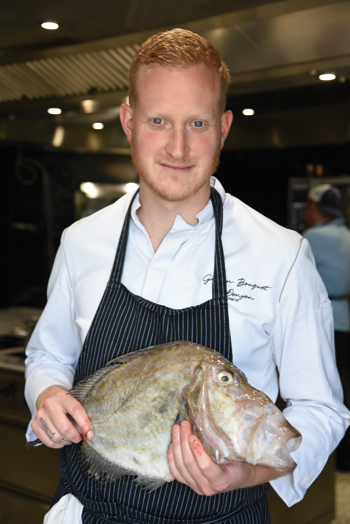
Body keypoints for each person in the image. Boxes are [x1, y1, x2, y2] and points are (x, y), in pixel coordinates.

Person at [24, 28, 349, 524]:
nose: (178, 147)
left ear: (223, 127)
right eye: (159, 120)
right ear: (129, 122)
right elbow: (49, 354)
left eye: (197, 123)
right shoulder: (81, 241)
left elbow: (322, 410)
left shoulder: (281, 255)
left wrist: (242, 474)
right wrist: (47, 393)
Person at [303, 183, 350, 470]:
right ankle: (344, 460)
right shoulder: (346, 234)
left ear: (314, 207)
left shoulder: (312, 238)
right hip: (345, 320)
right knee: (344, 388)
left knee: (325, 392)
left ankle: (329, 460)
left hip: (325, 323)